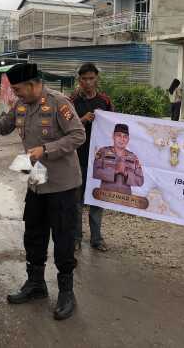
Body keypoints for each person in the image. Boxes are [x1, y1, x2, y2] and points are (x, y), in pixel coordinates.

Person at [0, 63, 85, 321]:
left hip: (63, 186)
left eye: (17, 89)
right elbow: (2, 125)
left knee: (63, 239)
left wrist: (45, 150)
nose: (15, 95)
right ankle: (36, 284)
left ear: (33, 84)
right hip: (37, 184)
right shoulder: (23, 106)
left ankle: (67, 292)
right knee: (34, 235)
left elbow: (78, 135)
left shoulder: (59, 103)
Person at [70, 62, 114, 252]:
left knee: (97, 200)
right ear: (79, 80)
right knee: (77, 202)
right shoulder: (72, 102)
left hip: (99, 161)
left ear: (97, 79)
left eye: (91, 78)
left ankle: (97, 239)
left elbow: (115, 127)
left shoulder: (105, 101)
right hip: (77, 159)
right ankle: (76, 238)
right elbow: (65, 127)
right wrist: (82, 120)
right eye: (84, 79)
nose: (88, 82)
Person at [93, 124, 144, 195]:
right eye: (119, 135)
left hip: (125, 199)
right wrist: (115, 171)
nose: (122, 139)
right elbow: (95, 172)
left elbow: (140, 180)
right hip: (105, 196)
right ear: (113, 136)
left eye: (125, 136)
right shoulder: (103, 152)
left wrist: (126, 174)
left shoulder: (133, 157)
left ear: (128, 139)